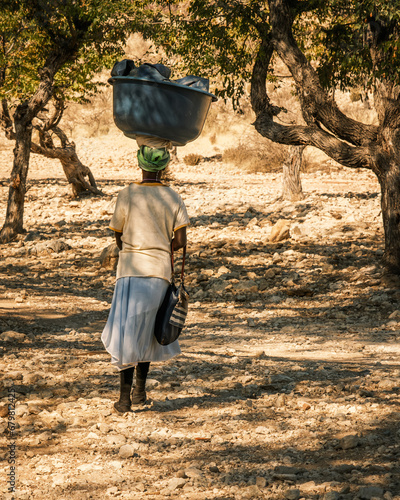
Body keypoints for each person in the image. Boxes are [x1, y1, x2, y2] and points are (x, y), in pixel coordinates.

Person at [101, 145, 189, 413]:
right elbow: (181, 241)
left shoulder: (127, 194)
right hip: (159, 272)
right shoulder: (172, 197)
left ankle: (125, 399)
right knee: (149, 330)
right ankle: (140, 391)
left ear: (140, 165)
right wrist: (160, 246)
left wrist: (133, 246)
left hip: (130, 271)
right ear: (163, 168)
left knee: (129, 332)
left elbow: (118, 235)